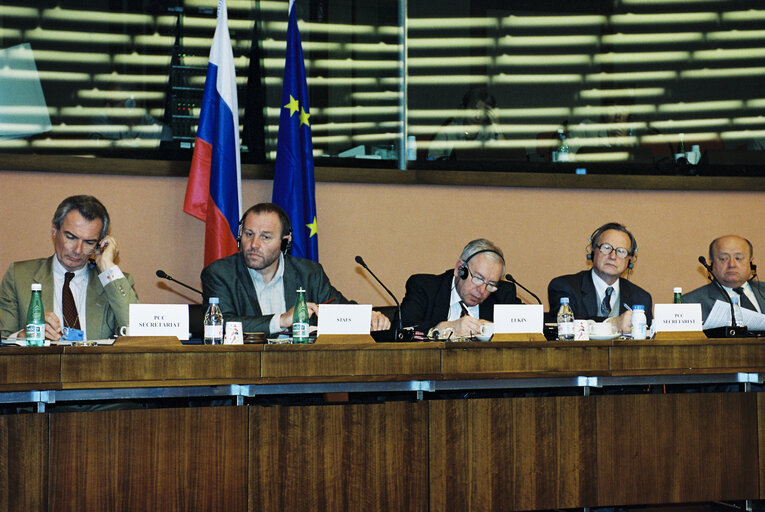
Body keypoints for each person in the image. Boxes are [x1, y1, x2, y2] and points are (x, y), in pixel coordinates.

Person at [201, 202, 390, 334]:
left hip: (302, 372)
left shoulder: (309, 273)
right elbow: (221, 324)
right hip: (246, 371)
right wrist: (282, 320)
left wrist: (368, 317)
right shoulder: (220, 274)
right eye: (248, 234)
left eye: (265, 237)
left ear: (285, 241)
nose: (254, 244)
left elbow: (336, 308)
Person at [0, 195, 138, 341]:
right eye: (71, 237)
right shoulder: (19, 276)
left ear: (99, 243)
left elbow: (137, 334)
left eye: (89, 242)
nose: (78, 250)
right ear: (54, 230)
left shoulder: (113, 283)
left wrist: (107, 266)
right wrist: (23, 335)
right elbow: (3, 337)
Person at [398, 239, 520, 338]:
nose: (482, 290)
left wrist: (496, 329)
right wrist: (446, 328)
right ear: (459, 269)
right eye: (478, 278)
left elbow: (534, 327)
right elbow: (401, 329)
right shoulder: (425, 287)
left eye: (491, 284)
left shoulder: (503, 294)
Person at [547, 222, 652, 331]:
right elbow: (566, 326)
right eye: (606, 248)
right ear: (592, 250)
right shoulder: (564, 287)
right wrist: (613, 323)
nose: (612, 256)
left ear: (630, 259)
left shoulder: (641, 298)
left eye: (621, 251)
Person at [684, 235, 765, 320]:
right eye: (723, 259)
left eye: (738, 258)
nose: (732, 265)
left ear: (750, 261)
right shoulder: (691, 303)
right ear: (711, 262)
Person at [427, 87, 502, 161]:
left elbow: (505, 157)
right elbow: (432, 159)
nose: (478, 117)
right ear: (464, 108)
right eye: (474, 110)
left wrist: (497, 127)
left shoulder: (490, 131)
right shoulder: (448, 131)